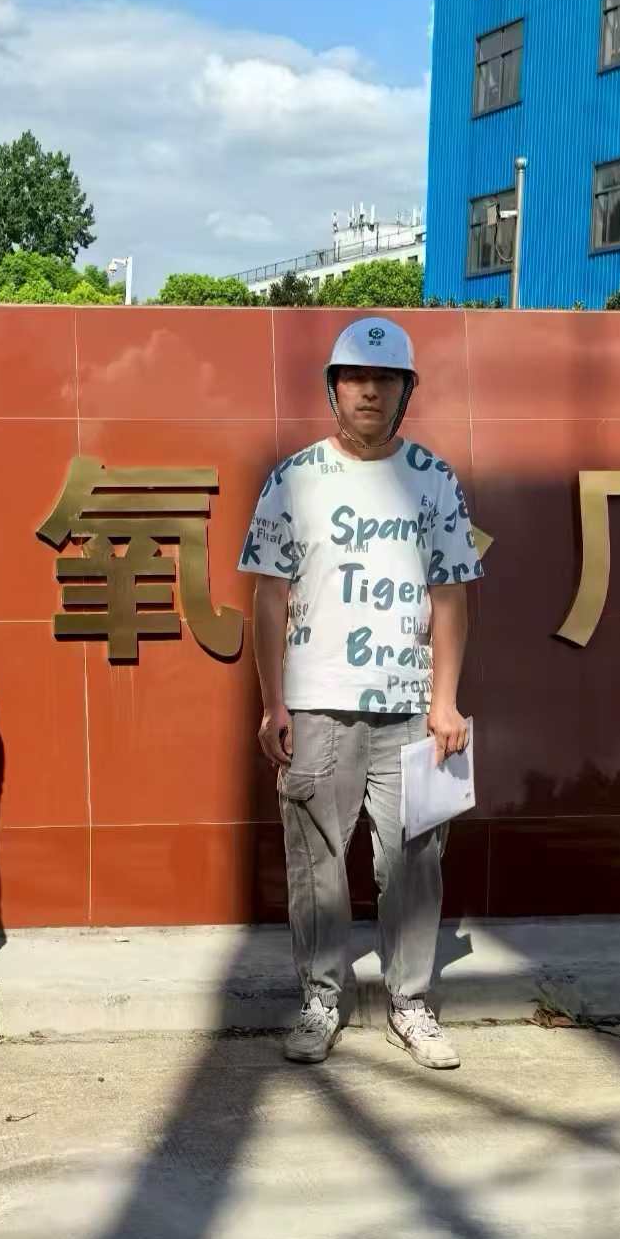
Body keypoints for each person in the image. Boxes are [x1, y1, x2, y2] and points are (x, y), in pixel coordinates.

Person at [239, 317, 482, 1071]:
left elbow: (451, 595)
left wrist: (446, 700)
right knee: (315, 861)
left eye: (384, 380)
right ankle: (320, 999)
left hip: (411, 705)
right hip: (317, 703)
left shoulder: (434, 478)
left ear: (406, 391)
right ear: (333, 390)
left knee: (415, 860)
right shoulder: (294, 478)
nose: (369, 391)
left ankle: (410, 1002)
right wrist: (274, 702)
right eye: (354, 378)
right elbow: (269, 598)